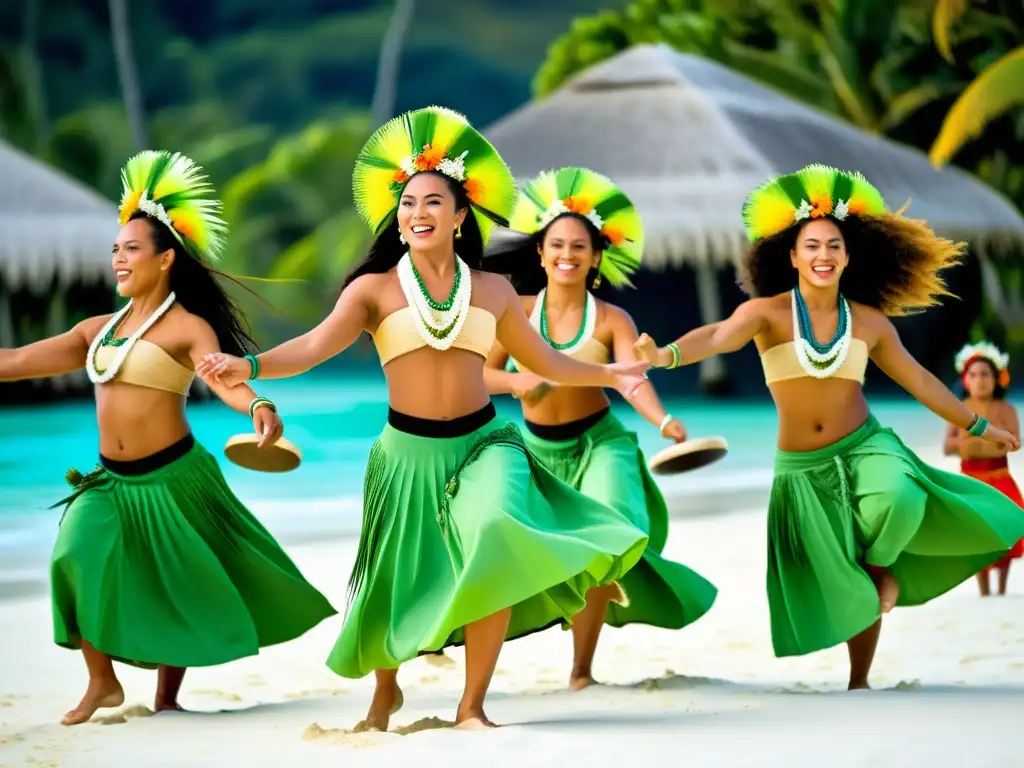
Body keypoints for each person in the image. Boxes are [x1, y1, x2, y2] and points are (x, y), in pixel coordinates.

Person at [196, 106, 650, 730]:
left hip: (486, 443)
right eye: (408, 204)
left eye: (433, 202)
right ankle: (387, 690)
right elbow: (310, 347)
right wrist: (248, 368)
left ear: (460, 215)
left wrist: (611, 375)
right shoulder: (372, 291)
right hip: (405, 453)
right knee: (393, 576)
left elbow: (544, 358)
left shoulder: (492, 290)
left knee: (496, 531)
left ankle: (472, 707)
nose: (418, 214)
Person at [633, 164, 1024, 689]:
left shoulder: (868, 323)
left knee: (901, 501)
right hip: (802, 468)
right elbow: (718, 337)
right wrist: (665, 354)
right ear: (791, 256)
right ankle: (858, 678)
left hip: (865, 446)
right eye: (811, 246)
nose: (823, 256)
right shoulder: (765, 314)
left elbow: (923, 383)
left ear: (848, 255)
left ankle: (884, 571)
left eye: (834, 246)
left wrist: (979, 423)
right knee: (842, 572)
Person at [0, 151, 337, 725]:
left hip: (174, 475)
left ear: (165, 259)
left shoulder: (187, 327)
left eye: (132, 248)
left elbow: (223, 377)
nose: (119, 259)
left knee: (178, 578)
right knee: (72, 558)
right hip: (109, 480)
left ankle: (166, 698)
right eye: (115, 249)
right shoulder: (95, 331)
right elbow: (12, 361)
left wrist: (257, 404)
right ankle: (103, 683)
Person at [481, 167, 717, 691]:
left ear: (595, 256)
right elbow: (482, 373)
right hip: (536, 453)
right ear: (540, 253)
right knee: (504, 543)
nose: (568, 254)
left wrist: (663, 419)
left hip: (600, 442)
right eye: (557, 244)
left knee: (613, 521)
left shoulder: (612, 318)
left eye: (580, 246)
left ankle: (581, 671)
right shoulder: (516, 311)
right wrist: (520, 384)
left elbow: (631, 378)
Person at [944, 342, 1024, 596]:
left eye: (986, 374)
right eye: (974, 375)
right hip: (971, 480)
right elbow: (949, 445)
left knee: (1006, 530)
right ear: (965, 379)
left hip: (1000, 478)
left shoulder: (1006, 409)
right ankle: (983, 588)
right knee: (976, 534)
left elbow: (1013, 443)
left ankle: (1001, 586)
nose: (980, 380)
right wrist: (986, 441)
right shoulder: (958, 409)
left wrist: (973, 442)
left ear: (998, 379)